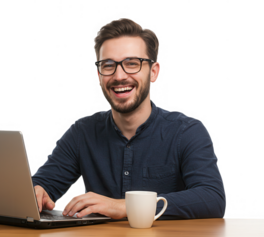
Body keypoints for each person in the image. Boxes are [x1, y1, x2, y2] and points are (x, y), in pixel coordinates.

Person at [32, 17, 226, 220]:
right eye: (108, 65)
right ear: (99, 75)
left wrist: (126, 207)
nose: (119, 76)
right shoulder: (82, 132)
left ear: (153, 72)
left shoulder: (188, 132)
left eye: (132, 63)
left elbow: (212, 199)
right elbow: (43, 185)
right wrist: (37, 192)